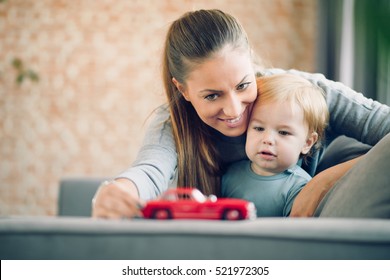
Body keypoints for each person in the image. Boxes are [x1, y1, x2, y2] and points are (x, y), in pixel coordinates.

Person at [92, 9, 390, 219]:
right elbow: (149, 170)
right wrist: (118, 191)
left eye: (243, 85)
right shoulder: (173, 124)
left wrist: (324, 181)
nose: (235, 110)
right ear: (182, 90)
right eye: (212, 95)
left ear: (251, 62)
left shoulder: (303, 93)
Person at [221, 74, 329, 217]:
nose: (268, 140)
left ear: (307, 143)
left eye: (283, 132)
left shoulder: (300, 187)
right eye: (259, 128)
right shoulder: (229, 174)